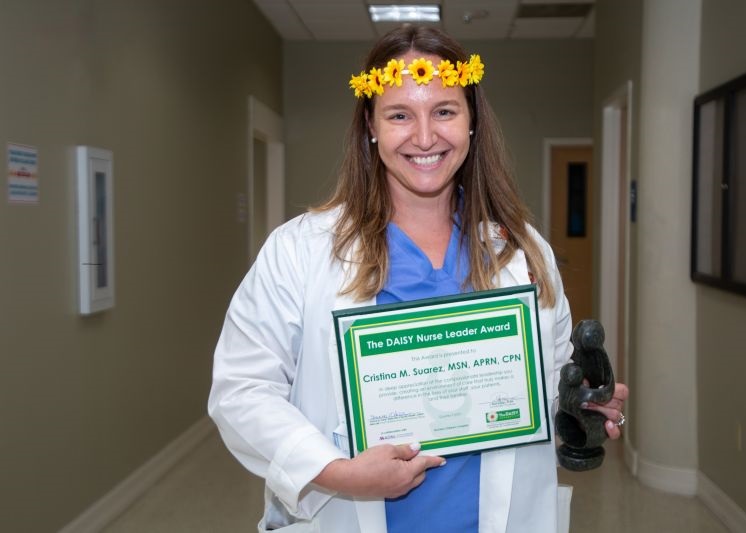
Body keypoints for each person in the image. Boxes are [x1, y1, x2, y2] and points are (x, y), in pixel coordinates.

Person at [208, 25, 628, 533]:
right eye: (400, 114)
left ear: (472, 121)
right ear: (371, 124)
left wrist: (577, 413)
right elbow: (242, 391)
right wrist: (339, 473)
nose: (425, 137)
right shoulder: (300, 251)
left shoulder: (523, 253)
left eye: (445, 111)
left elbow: (543, 387)